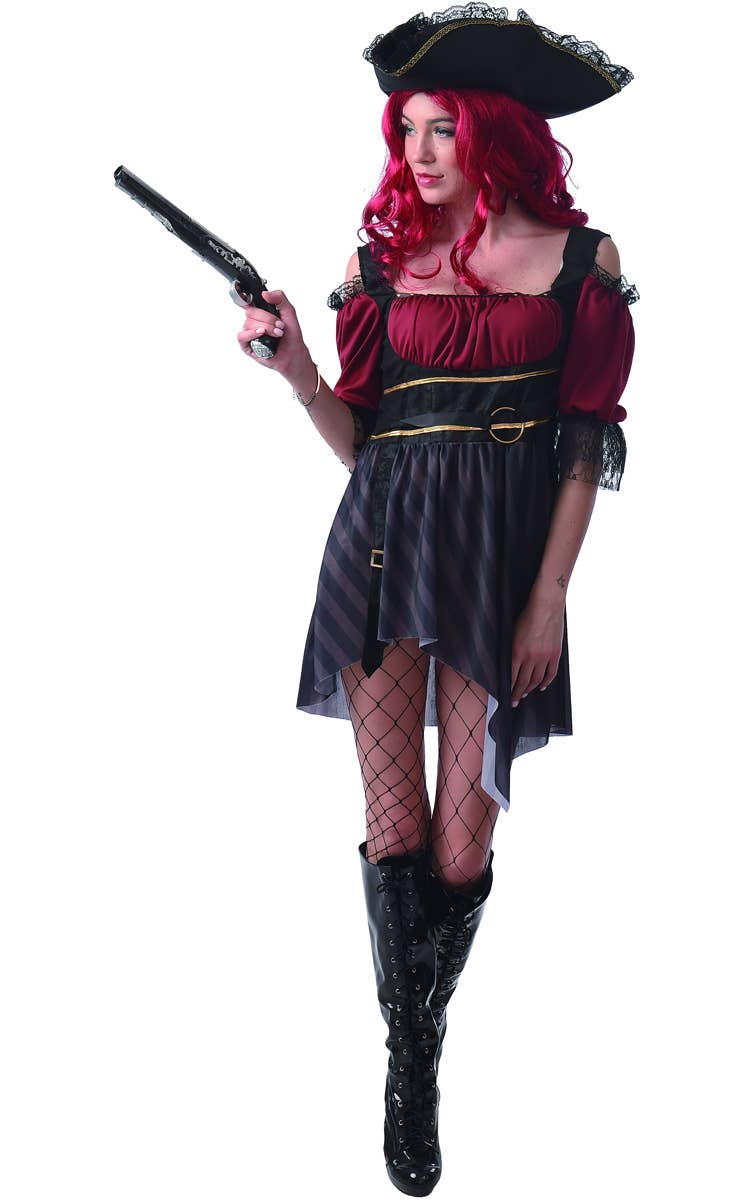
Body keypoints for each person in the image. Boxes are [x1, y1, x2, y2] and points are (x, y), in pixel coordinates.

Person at [236, 5, 638, 1193]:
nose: (417, 152)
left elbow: (584, 443)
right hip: (380, 553)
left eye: (442, 129)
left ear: (494, 132)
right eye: (405, 129)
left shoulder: (581, 264)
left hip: (500, 564)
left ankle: (410, 1038)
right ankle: (413, 1073)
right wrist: (298, 370)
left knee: (462, 850)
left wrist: (548, 598)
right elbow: (361, 445)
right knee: (398, 832)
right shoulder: (375, 268)